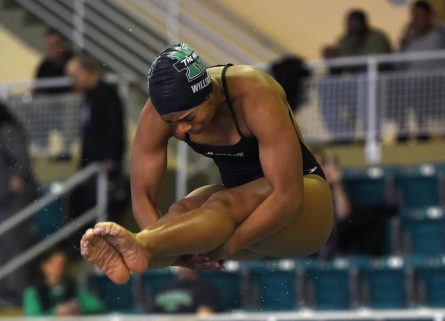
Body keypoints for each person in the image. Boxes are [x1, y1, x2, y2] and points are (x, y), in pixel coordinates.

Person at [80, 43, 333, 284]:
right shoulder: (160, 112)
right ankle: (133, 251)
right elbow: (143, 198)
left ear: (210, 93)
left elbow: (287, 195)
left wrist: (225, 248)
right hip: (240, 200)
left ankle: (145, 246)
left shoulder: (254, 93)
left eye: (188, 117)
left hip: (305, 205)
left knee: (222, 204)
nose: (182, 128)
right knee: (180, 212)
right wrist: (181, 257)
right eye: (173, 122)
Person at [392, 0, 445, 141]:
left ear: (429, 16)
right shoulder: (410, 42)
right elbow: (398, 67)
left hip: (444, 84)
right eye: (414, 16)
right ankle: (419, 131)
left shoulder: (440, 33)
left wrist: (439, 23)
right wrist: (402, 45)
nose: (416, 20)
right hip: (419, 89)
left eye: (420, 16)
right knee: (402, 92)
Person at [66, 55, 127, 222]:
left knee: (103, 214)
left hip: (104, 166)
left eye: (74, 75)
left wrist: (111, 158)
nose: (73, 81)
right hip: (90, 163)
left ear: (86, 72)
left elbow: (115, 127)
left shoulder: (107, 94)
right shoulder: (88, 95)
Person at [319, 9, 392, 141]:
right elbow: (338, 71)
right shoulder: (343, 40)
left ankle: (371, 136)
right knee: (324, 81)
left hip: (377, 88)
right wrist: (331, 60)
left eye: (355, 23)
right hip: (352, 88)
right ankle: (341, 136)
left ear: (364, 23)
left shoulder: (377, 37)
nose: (352, 27)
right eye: (349, 23)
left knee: (365, 77)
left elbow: (382, 65)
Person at [0, 103, 38, 305]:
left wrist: (16, 178)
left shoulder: (6, 129)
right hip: (4, 201)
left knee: (13, 247)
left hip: (15, 200)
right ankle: (6, 292)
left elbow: (20, 158)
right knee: (4, 248)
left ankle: (15, 294)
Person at [23, 248, 105, 316]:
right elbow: (33, 317)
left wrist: (78, 309)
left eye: (61, 264)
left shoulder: (72, 286)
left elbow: (96, 306)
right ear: (44, 266)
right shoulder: (33, 292)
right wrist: (55, 313)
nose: (57, 268)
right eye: (53, 264)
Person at [150, 267, 220, 314]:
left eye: (185, 264)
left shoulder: (206, 288)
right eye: (179, 264)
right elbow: (152, 314)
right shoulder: (165, 287)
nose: (181, 268)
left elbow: (205, 313)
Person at [34, 29, 73, 95]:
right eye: (48, 46)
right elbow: (35, 90)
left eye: (54, 45)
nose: (51, 49)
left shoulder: (73, 62)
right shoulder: (44, 66)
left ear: (62, 46)